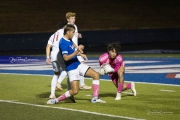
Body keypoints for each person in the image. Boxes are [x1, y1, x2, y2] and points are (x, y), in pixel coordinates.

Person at [47, 24, 106, 104]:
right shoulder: (63, 43)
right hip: (72, 68)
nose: (74, 34)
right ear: (67, 32)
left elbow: (72, 51)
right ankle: (56, 100)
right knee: (75, 91)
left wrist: (80, 53)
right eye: (73, 32)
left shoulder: (69, 40)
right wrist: (77, 51)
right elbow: (66, 58)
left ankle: (95, 98)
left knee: (96, 75)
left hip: (78, 64)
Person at [65, 12, 91, 90]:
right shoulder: (66, 27)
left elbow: (74, 36)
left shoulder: (75, 26)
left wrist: (78, 34)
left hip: (75, 49)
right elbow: (69, 39)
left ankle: (81, 84)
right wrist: (77, 48)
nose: (73, 20)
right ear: (68, 19)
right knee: (69, 68)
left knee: (76, 67)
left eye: (74, 18)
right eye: (72, 18)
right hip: (71, 49)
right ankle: (81, 84)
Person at [46, 22, 68, 99]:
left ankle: (52, 94)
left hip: (53, 55)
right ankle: (69, 93)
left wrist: (47, 57)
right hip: (60, 54)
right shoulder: (65, 33)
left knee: (56, 74)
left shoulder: (53, 35)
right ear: (64, 27)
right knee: (67, 70)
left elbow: (48, 46)